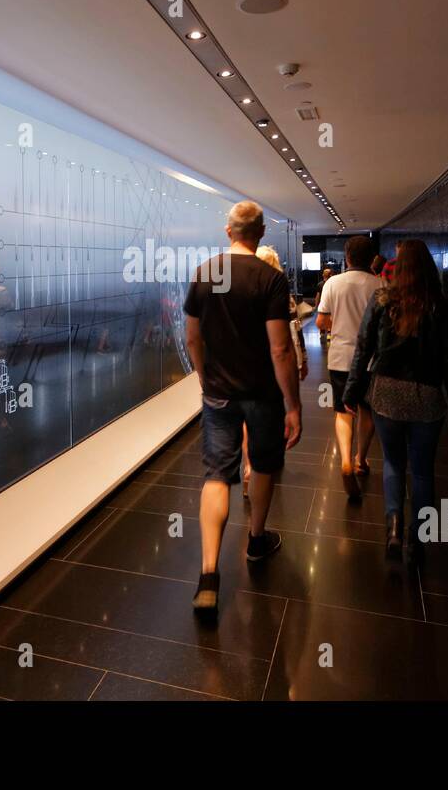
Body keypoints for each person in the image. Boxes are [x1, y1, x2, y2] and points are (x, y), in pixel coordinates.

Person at [184, 202, 302, 613]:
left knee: (217, 474)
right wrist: (293, 404)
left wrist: (203, 376)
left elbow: (193, 339)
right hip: (263, 394)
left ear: (227, 231)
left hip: (218, 392)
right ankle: (255, 540)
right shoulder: (270, 279)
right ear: (262, 232)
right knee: (265, 465)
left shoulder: (206, 273)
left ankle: (209, 574)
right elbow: (280, 347)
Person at [344, 239, 448, 565]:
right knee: (423, 472)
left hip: (386, 394)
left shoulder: (382, 299)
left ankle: (394, 528)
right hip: (426, 396)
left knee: (393, 464)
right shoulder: (441, 305)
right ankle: (418, 538)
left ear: (399, 268)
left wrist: (351, 394)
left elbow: (363, 348)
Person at [239, 245, 307, 500]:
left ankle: (248, 465)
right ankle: (266, 462)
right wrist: (303, 361)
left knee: (247, 417)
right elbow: (293, 332)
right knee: (275, 411)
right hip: (275, 365)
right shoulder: (281, 294)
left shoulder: (242, 294)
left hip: (248, 364)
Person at [316, 235, 380, 499]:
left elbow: (321, 321)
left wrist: (339, 325)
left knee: (343, 411)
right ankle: (360, 460)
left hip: (341, 357)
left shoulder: (333, 283)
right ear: (373, 258)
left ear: (348, 257)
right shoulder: (381, 284)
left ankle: (344, 460)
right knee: (367, 411)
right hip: (372, 360)